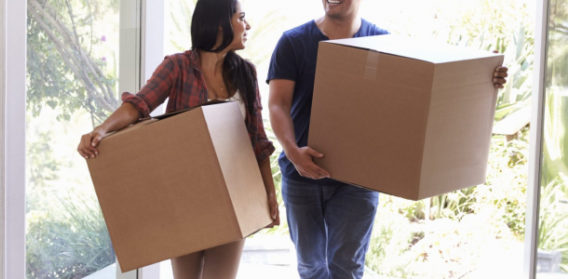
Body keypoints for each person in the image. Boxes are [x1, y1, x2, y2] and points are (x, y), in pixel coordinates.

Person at [265, 0, 510, 278]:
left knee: (346, 267)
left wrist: (483, 75)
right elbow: (278, 104)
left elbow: (425, 88)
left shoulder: (385, 44)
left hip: (359, 180)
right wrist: (293, 151)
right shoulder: (293, 42)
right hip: (302, 174)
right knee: (311, 266)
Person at [76, 0, 276, 278]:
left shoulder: (246, 73)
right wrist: (101, 130)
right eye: (241, 17)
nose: (248, 25)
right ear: (220, 23)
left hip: (233, 196)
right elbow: (139, 105)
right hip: (184, 196)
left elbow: (257, 139)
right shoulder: (178, 67)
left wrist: (268, 193)